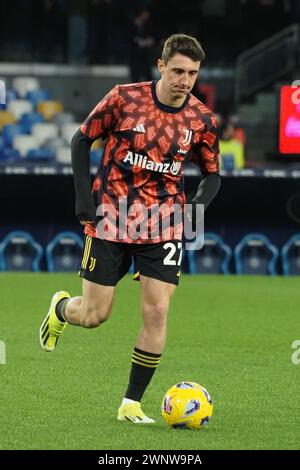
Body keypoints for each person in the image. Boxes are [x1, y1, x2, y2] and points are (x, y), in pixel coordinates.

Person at [39, 34, 221, 424]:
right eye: (177, 71)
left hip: (164, 224)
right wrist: (83, 200)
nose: (184, 80)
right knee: (94, 314)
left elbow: (212, 176)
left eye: (192, 73)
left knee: (157, 311)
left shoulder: (202, 119)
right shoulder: (124, 98)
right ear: (160, 66)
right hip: (111, 218)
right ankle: (60, 309)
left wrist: (194, 210)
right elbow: (80, 140)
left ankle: (131, 403)